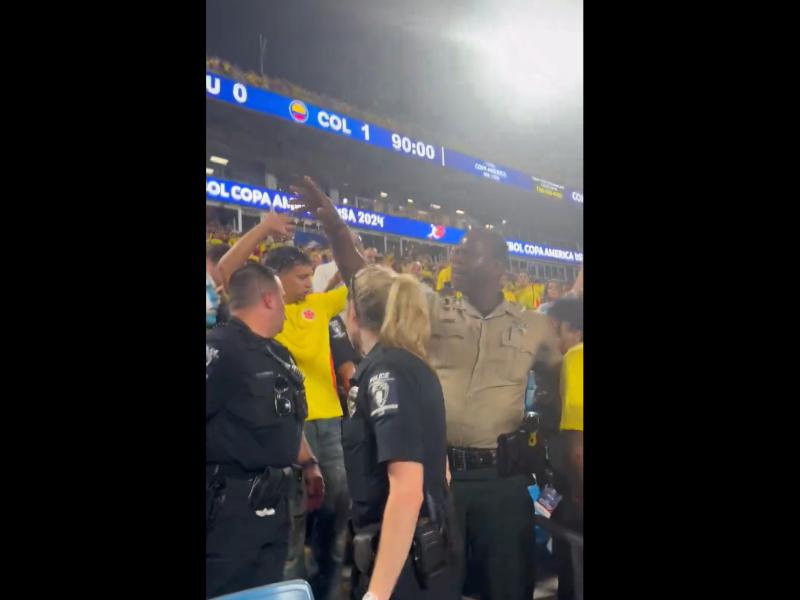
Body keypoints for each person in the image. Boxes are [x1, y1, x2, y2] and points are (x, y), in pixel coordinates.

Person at [291, 176, 563, 600]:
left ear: (498, 268)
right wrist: (336, 228)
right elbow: (365, 280)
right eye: (457, 249)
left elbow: (559, 379)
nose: (455, 256)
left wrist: (545, 434)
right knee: (437, 585)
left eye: (467, 251)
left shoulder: (536, 327)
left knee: (509, 586)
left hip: (503, 480)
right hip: (442, 480)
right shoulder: (432, 309)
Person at [218, 212, 350, 600]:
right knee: (290, 529)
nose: (309, 283)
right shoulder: (260, 313)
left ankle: (326, 593)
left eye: (311, 276)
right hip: (287, 429)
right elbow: (228, 272)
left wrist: (339, 233)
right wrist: (263, 228)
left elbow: (359, 279)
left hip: (328, 426)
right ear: (274, 283)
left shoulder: (319, 306)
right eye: (301, 276)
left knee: (335, 523)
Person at [206, 263, 324, 598]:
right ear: (269, 299)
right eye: (282, 297)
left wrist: (309, 463)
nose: (286, 306)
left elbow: (285, 419)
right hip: (227, 509)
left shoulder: (277, 353)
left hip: (275, 502)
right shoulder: (220, 349)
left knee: (268, 588)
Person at [342, 265, 460, 600]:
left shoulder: (386, 371)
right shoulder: (411, 364)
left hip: (403, 565)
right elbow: (442, 470)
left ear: (353, 312)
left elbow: (407, 490)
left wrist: (377, 593)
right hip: (421, 554)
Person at [546, 296, 583, 600]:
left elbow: (577, 443)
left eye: (555, 330)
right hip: (563, 479)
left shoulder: (575, 358)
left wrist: (578, 488)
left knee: (571, 558)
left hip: (571, 483)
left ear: (573, 331)